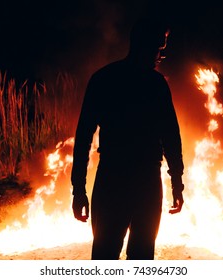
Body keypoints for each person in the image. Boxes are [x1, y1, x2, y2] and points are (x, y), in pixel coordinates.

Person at [71, 17, 184, 260]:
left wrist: (78, 189)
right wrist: (177, 182)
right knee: (141, 258)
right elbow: (171, 137)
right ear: (144, 46)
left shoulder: (103, 79)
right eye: (158, 49)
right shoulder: (156, 85)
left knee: (104, 255)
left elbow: (83, 138)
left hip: (112, 180)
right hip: (145, 183)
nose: (160, 56)